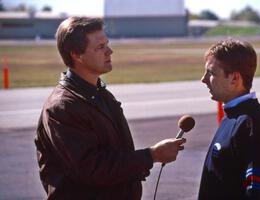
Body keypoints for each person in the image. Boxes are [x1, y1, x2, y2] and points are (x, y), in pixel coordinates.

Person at [34, 17, 186, 200]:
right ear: (76, 55)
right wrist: (151, 155)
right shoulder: (62, 107)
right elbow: (91, 169)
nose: (109, 51)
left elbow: (117, 154)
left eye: (107, 44)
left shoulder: (99, 94)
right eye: (100, 47)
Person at [198, 39, 260, 199]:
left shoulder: (254, 125)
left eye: (211, 73)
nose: (203, 79)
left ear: (235, 79)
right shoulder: (233, 116)